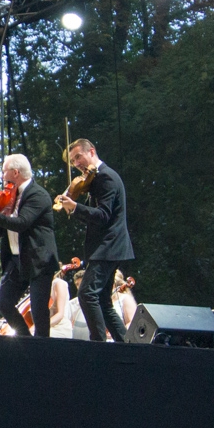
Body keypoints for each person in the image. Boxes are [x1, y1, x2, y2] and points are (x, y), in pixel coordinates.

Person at [55, 138, 134, 342]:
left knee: (86, 294)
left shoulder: (106, 177)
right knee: (102, 301)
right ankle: (128, 345)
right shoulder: (95, 179)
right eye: (72, 161)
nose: (76, 164)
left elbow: (103, 215)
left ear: (92, 151)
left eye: (78, 157)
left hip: (109, 246)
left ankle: (98, 345)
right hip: (109, 247)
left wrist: (75, 207)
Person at [0, 154, 58, 338]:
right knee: (3, 303)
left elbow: (22, 223)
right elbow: (4, 231)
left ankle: (41, 349)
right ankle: (25, 340)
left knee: (39, 310)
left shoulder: (37, 195)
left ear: (15, 172)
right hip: (16, 258)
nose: (2, 175)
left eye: (4, 171)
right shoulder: (11, 195)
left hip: (39, 259)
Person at [48, 266, 72, 339]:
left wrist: (40, 326)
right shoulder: (44, 286)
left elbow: (60, 314)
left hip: (60, 328)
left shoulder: (59, 283)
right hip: (50, 326)